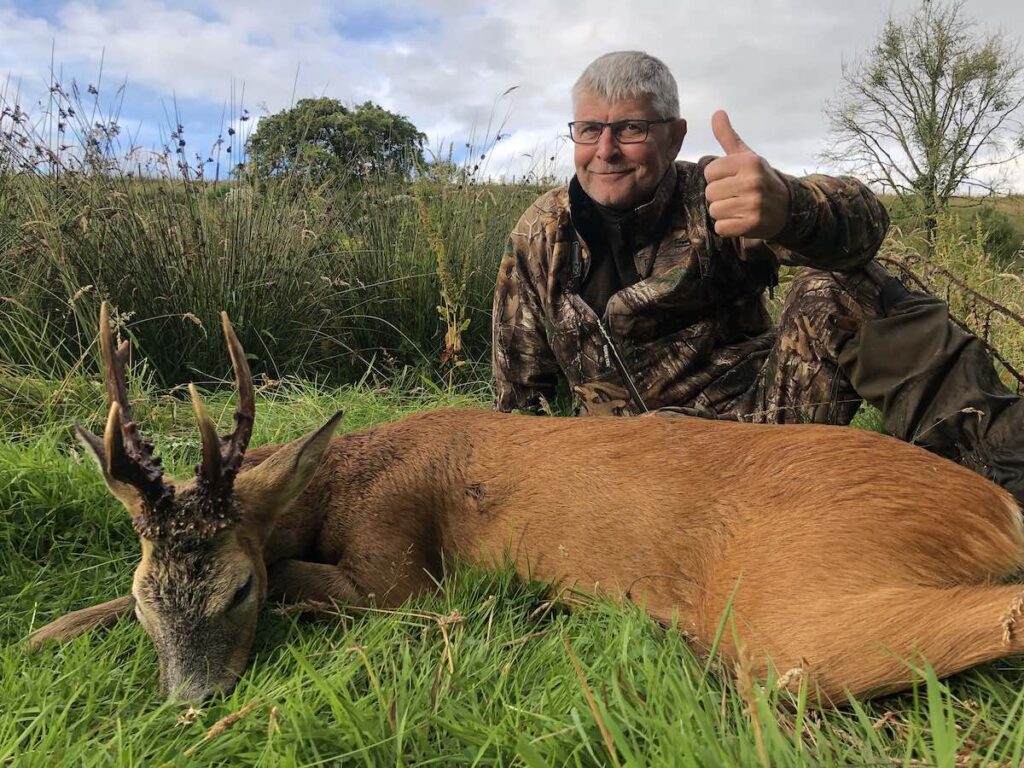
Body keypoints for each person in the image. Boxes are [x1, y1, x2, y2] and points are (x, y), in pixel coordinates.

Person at [491, 50, 1024, 505]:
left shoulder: (720, 196)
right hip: (627, 469)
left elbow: (866, 224)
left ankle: (998, 485)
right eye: (589, 130)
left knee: (840, 288)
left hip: (759, 435)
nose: (605, 150)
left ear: (674, 138)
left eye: (631, 128)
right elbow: (521, 400)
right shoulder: (540, 234)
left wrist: (791, 208)